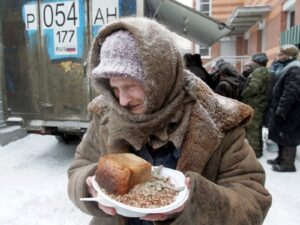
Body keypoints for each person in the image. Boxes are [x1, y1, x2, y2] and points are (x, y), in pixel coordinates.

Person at [67, 17, 271, 225]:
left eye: (130, 86)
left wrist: (193, 205)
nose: (122, 100)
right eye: (115, 88)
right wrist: (91, 183)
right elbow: (79, 167)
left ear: (161, 77)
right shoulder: (106, 114)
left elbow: (253, 201)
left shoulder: (219, 119)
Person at [267, 44, 300, 172]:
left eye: (282, 54)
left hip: (291, 112)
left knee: (288, 136)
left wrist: (281, 110)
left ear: (289, 56)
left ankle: (287, 163)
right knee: (280, 135)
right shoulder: (289, 67)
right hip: (286, 110)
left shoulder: (295, 69)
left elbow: (290, 93)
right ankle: (280, 158)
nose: (279, 56)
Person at [241, 53, 270, 158]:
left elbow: (253, 88)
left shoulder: (259, 72)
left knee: (253, 130)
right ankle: (257, 151)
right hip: (260, 103)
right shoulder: (264, 71)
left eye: (252, 60)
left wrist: (243, 94)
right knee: (256, 129)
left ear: (257, 62)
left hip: (255, 104)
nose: (251, 62)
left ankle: (254, 153)